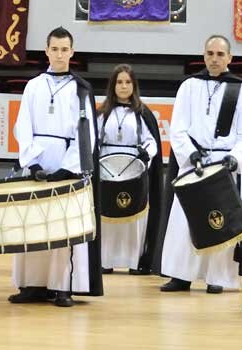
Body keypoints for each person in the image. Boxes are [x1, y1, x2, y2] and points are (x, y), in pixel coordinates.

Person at [7, 27, 102, 307]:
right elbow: (23, 125)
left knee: (62, 228)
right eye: (55, 49)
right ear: (46, 50)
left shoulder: (80, 89)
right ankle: (32, 284)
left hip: (66, 164)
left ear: (72, 52)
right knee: (32, 225)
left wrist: (68, 167)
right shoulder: (33, 86)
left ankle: (63, 286)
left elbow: (87, 134)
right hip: (37, 162)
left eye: (65, 49)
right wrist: (33, 161)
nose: (60, 54)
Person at [160, 35, 242, 294]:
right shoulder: (189, 86)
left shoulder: (241, 90)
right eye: (210, 53)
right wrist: (190, 155)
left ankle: (219, 276)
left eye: (220, 54)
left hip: (224, 165)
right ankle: (181, 275)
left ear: (229, 58)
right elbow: (177, 129)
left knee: (220, 220)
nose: (214, 59)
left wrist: (234, 158)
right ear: (204, 55)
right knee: (185, 220)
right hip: (194, 162)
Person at [95, 64, 164, 275]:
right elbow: (94, 140)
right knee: (107, 218)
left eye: (127, 82)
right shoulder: (102, 114)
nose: (123, 87)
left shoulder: (142, 114)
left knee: (134, 219)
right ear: (112, 86)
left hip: (134, 171)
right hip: (107, 172)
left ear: (133, 86)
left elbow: (151, 142)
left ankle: (134, 261)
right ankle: (105, 260)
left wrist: (147, 153)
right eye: (119, 82)